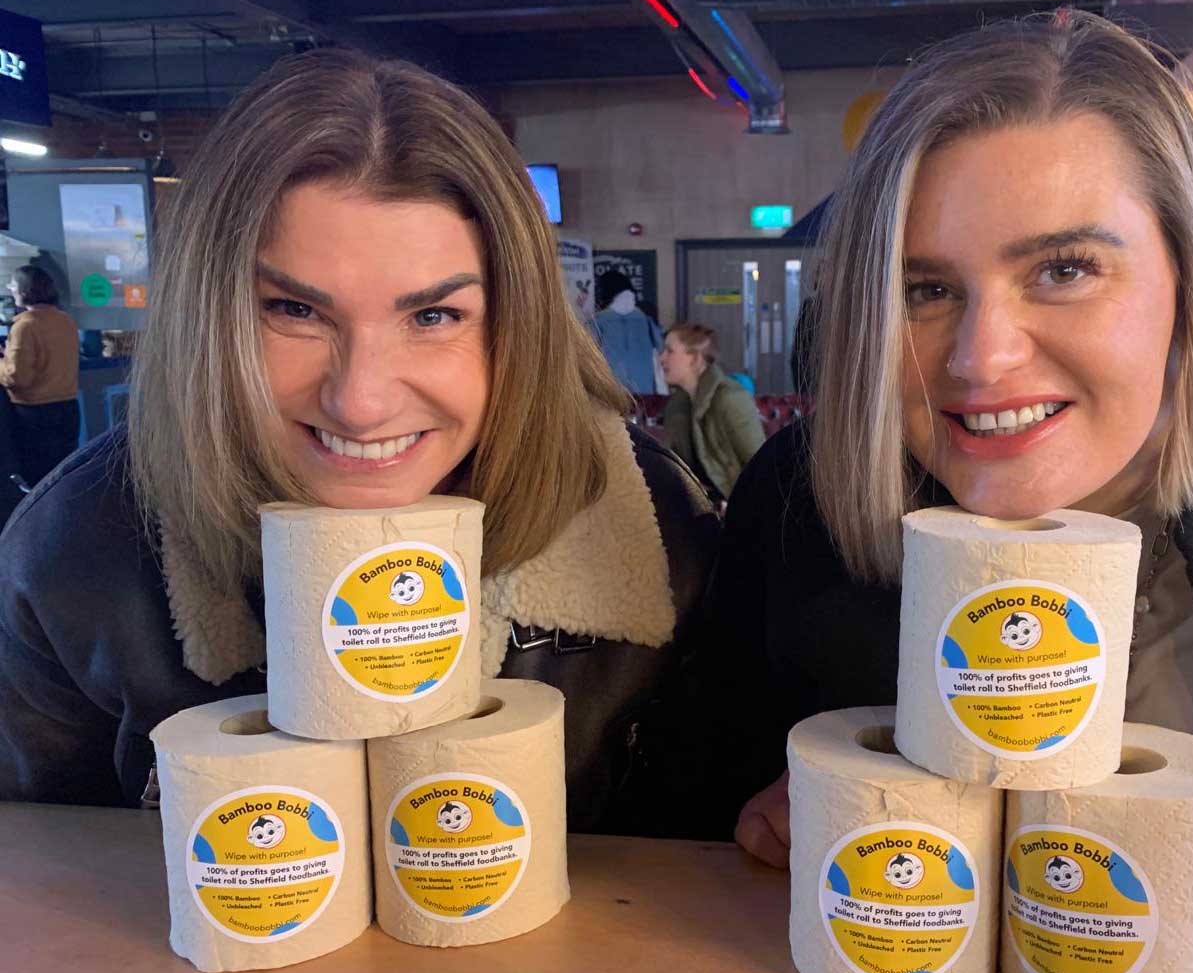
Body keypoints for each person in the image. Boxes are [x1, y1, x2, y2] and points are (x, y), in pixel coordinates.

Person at [705, 11, 1193, 950]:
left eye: (1063, 269)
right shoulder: (796, 502)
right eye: (925, 290)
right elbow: (691, 813)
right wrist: (766, 819)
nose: (982, 360)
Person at [0, 50, 718, 835]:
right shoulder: (78, 546)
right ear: (208, 317)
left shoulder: (654, 527)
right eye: (293, 312)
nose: (361, 401)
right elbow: (39, 879)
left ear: (520, 326)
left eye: (434, 317)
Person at [658, 323, 765, 503]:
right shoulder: (676, 406)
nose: (662, 358)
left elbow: (760, 467)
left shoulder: (730, 398)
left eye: (670, 351)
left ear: (695, 359)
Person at [0, 264, 80, 487]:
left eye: (13, 286)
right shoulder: (66, 321)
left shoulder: (25, 326)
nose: (11, 290)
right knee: (62, 476)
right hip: (67, 409)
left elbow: (18, 378)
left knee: (38, 480)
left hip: (34, 414)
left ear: (25, 291)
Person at [590, 269, 664, 394]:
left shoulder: (597, 323)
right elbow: (662, 349)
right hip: (645, 395)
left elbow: (587, 360)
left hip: (610, 395)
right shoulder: (647, 321)